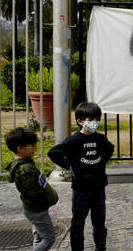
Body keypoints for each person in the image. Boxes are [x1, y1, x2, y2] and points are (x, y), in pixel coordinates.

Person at [48, 102, 114, 251]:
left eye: (97, 120)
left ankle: (100, 247)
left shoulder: (100, 139)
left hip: (98, 187)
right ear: (80, 121)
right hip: (81, 188)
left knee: (99, 222)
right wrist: (70, 166)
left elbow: (109, 149)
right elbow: (53, 153)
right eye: (91, 120)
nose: (94, 123)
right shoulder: (74, 140)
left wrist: (101, 162)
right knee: (78, 222)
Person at [5, 127, 59, 251]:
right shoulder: (25, 170)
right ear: (20, 148)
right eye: (32, 145)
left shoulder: (24, 162)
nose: (35, 147)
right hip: (37, 210)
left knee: (39, 236)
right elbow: (33, 193)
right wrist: (47, 200)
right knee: (49, 238)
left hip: (35, 209)